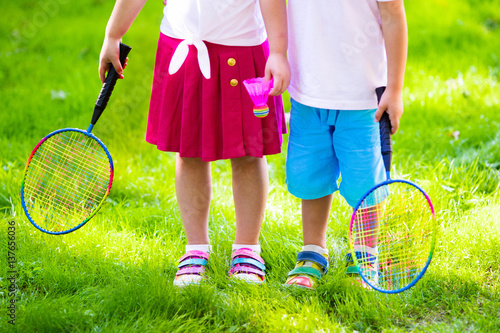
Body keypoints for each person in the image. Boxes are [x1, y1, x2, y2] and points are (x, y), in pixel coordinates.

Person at [98, 0, 290, 286]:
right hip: (182, 48)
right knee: (189, 153)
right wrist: (113, 35)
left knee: (249, 153)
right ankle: (196, 249)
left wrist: (277, 52)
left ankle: (247, 249)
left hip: (242, 46)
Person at [284, 0, 407, 289]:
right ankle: (313, 250)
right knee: (311, 176)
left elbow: (393, 15)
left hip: (363, 99)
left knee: (366, 182)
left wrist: (395, 88)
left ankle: (365, 255)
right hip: (307, 93)